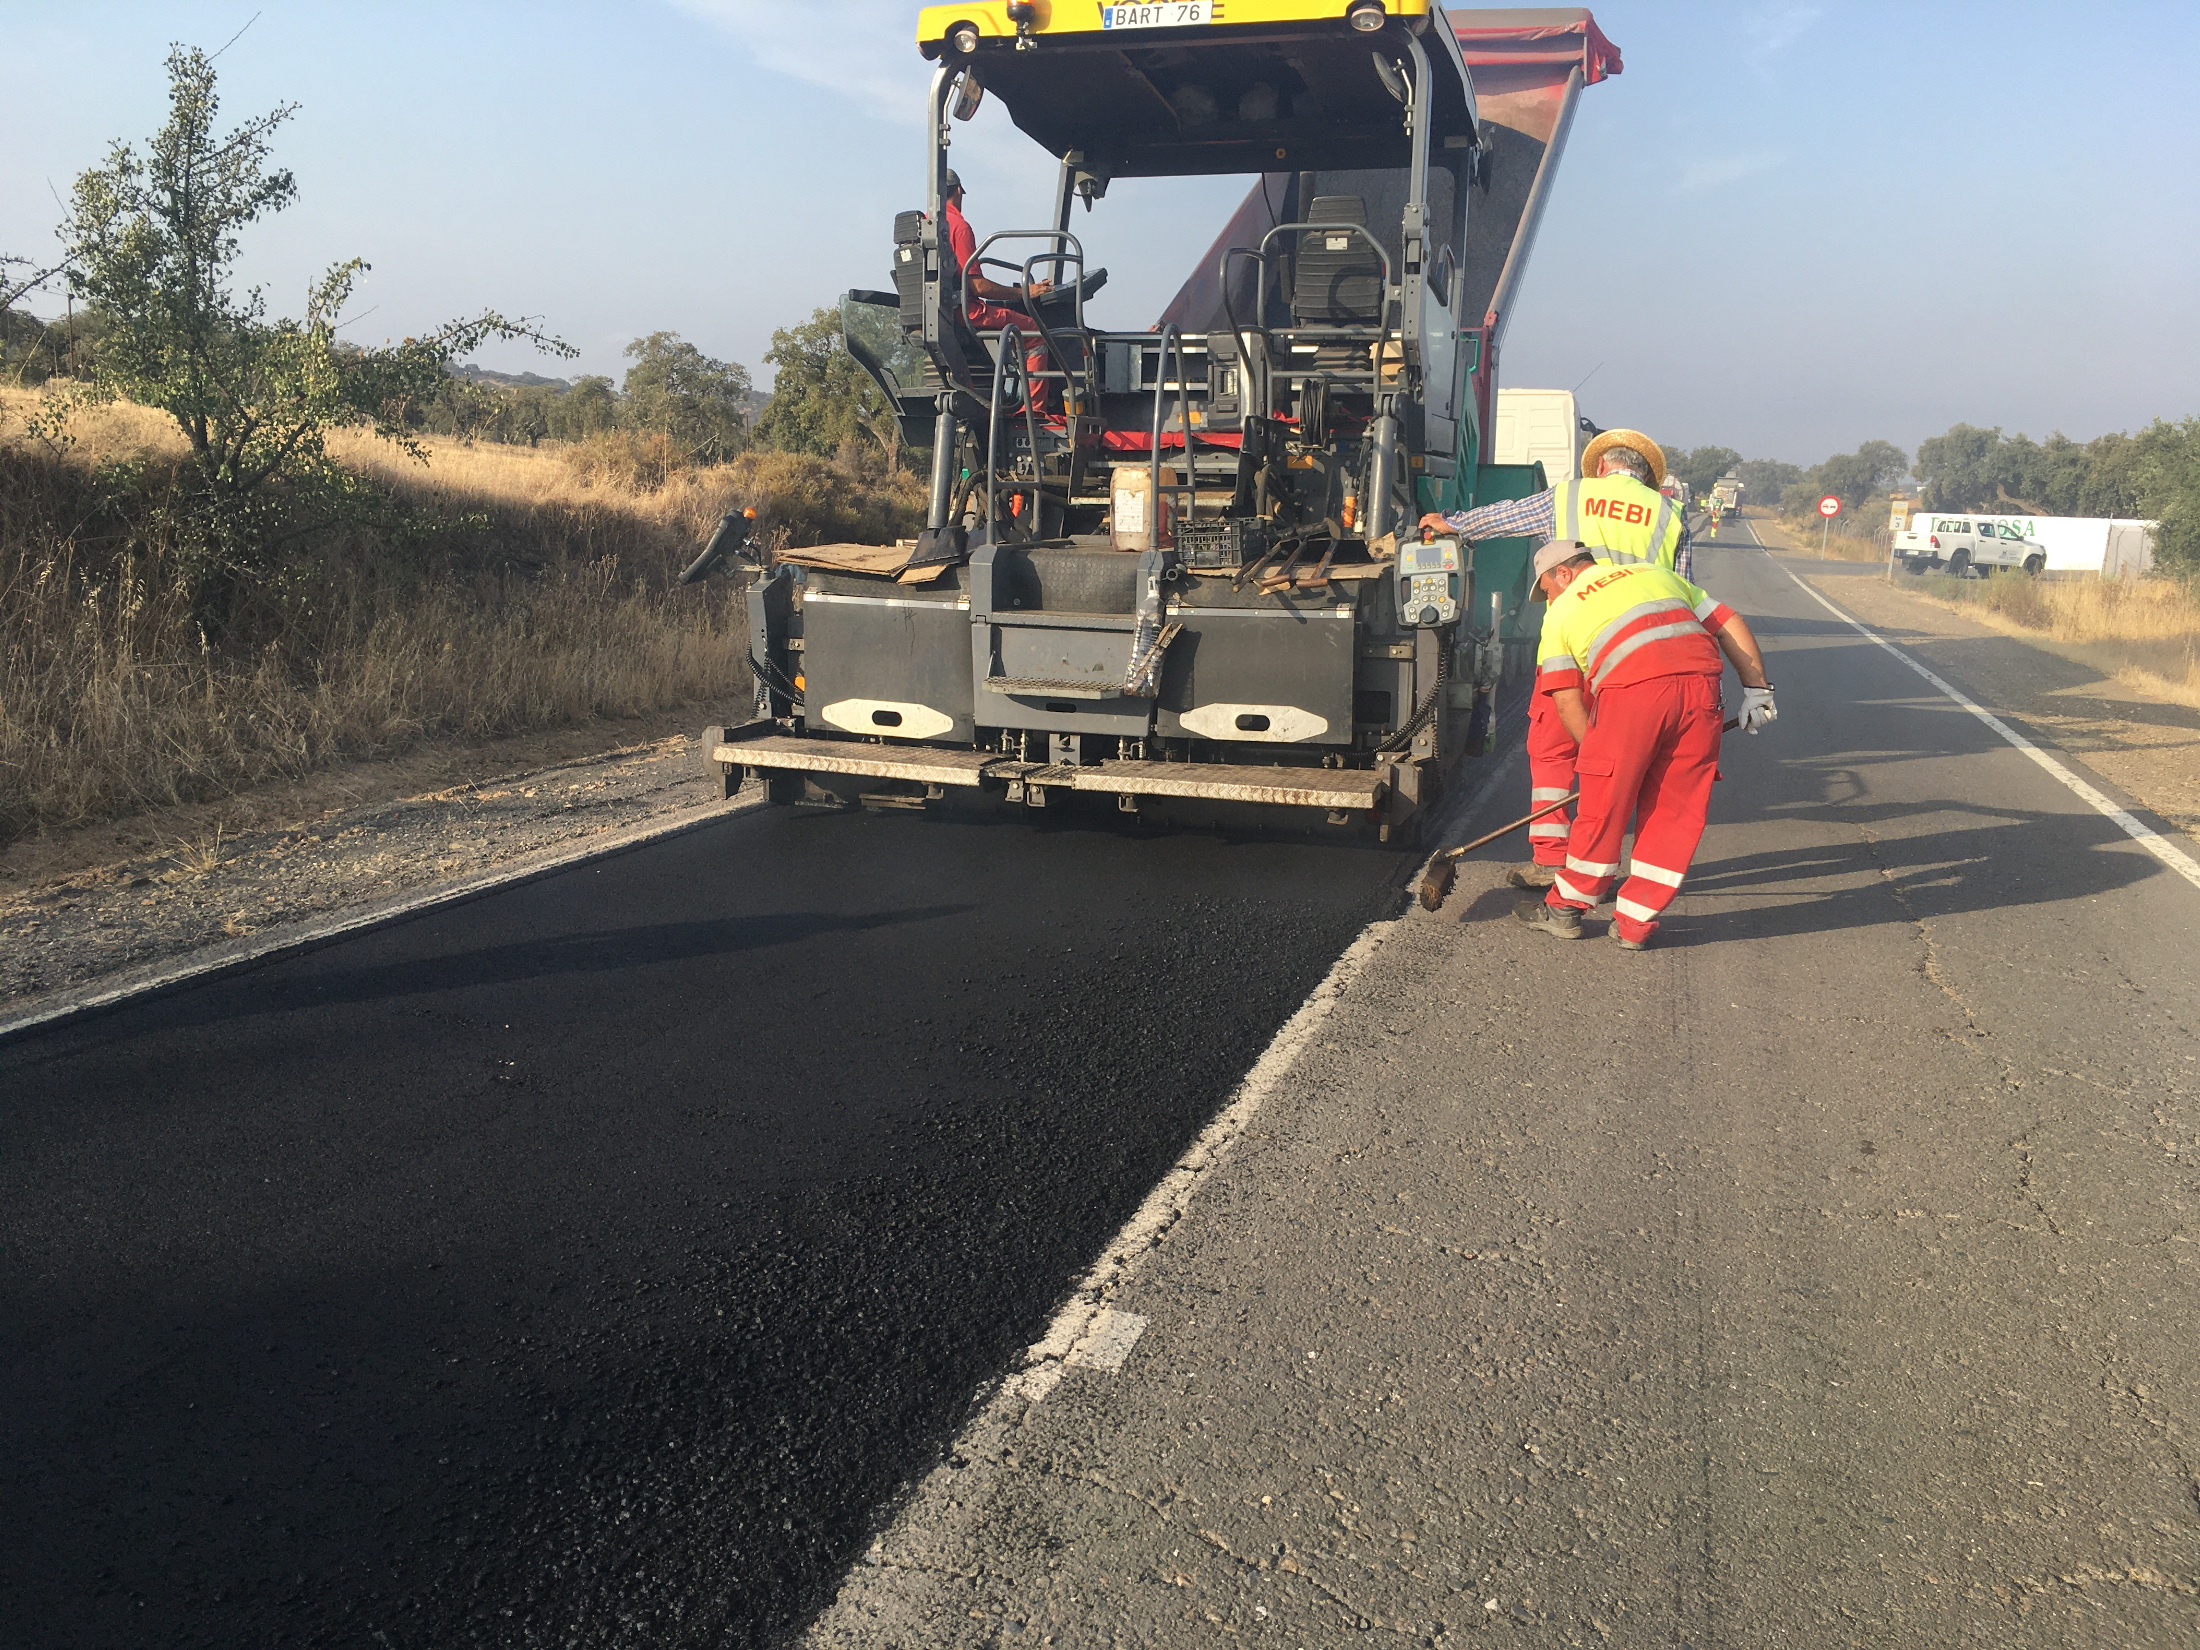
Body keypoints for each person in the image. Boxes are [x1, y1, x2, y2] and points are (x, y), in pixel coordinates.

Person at [1415, 429, 1690, 892]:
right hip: (1642, 653)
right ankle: (1611, 861)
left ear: (1602, 466)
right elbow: (1682, 591)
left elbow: (1506, 516)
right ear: (1645, 476)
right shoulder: (1671, 513)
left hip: (1575, 639)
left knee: (1554, 748)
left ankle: (1551, 859)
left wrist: (1451, 524)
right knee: (1631, 756)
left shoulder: (1570, 496)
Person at [1512, 540, 1775, 952]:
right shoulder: (1659, 575)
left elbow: (1565, 698)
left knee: (1604, 806)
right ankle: (1636, 923)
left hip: (1632, 691)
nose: (1547, 598)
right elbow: (1726, 621)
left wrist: (1599, 759)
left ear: (1562, 574)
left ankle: (1566, 908)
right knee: (1677, 811)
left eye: (1544, 589)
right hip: (1702, 689)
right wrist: (1758, 690)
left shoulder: (1561, 611)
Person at [940, 169, 1056, 411]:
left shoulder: (927, 223)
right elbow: (977, 285)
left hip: (940, 313)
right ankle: (1033, 413)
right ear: (959, 191)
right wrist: (1025, 292)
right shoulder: (958, 227)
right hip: (966, 312)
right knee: (1032, 332)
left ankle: (1010, 398)